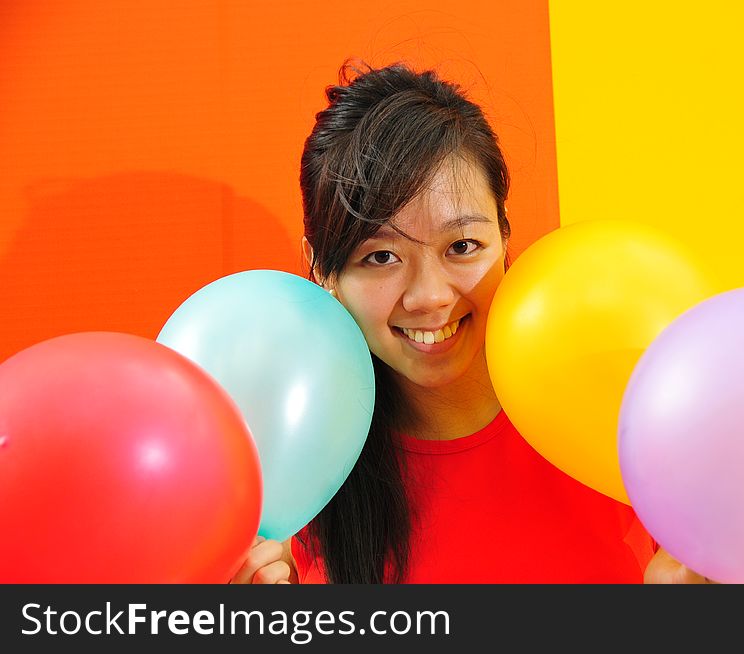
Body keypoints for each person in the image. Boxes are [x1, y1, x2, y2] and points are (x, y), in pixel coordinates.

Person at [231, 61, 711, 585]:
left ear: (505, 235)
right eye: (380, 257)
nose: (431, 297)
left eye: (461, 247)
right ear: (323, 270)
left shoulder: (623, 411)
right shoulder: (290, 478)